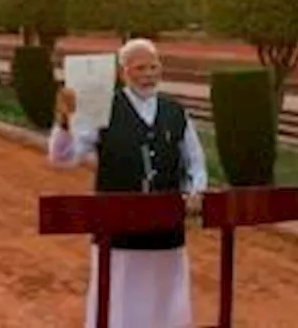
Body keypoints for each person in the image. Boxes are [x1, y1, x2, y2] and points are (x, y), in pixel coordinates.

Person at [48, 37, 208, 328]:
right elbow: (64, 158)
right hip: (118, 235)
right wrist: (64, 121)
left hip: (165, 233)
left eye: (153, 66)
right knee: (118, 305)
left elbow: (195, 161)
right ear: (123, 73)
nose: (148, 74)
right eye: (140, 68)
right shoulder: (102, 109)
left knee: (166, 304)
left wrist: (197, 191)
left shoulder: (176, 112)